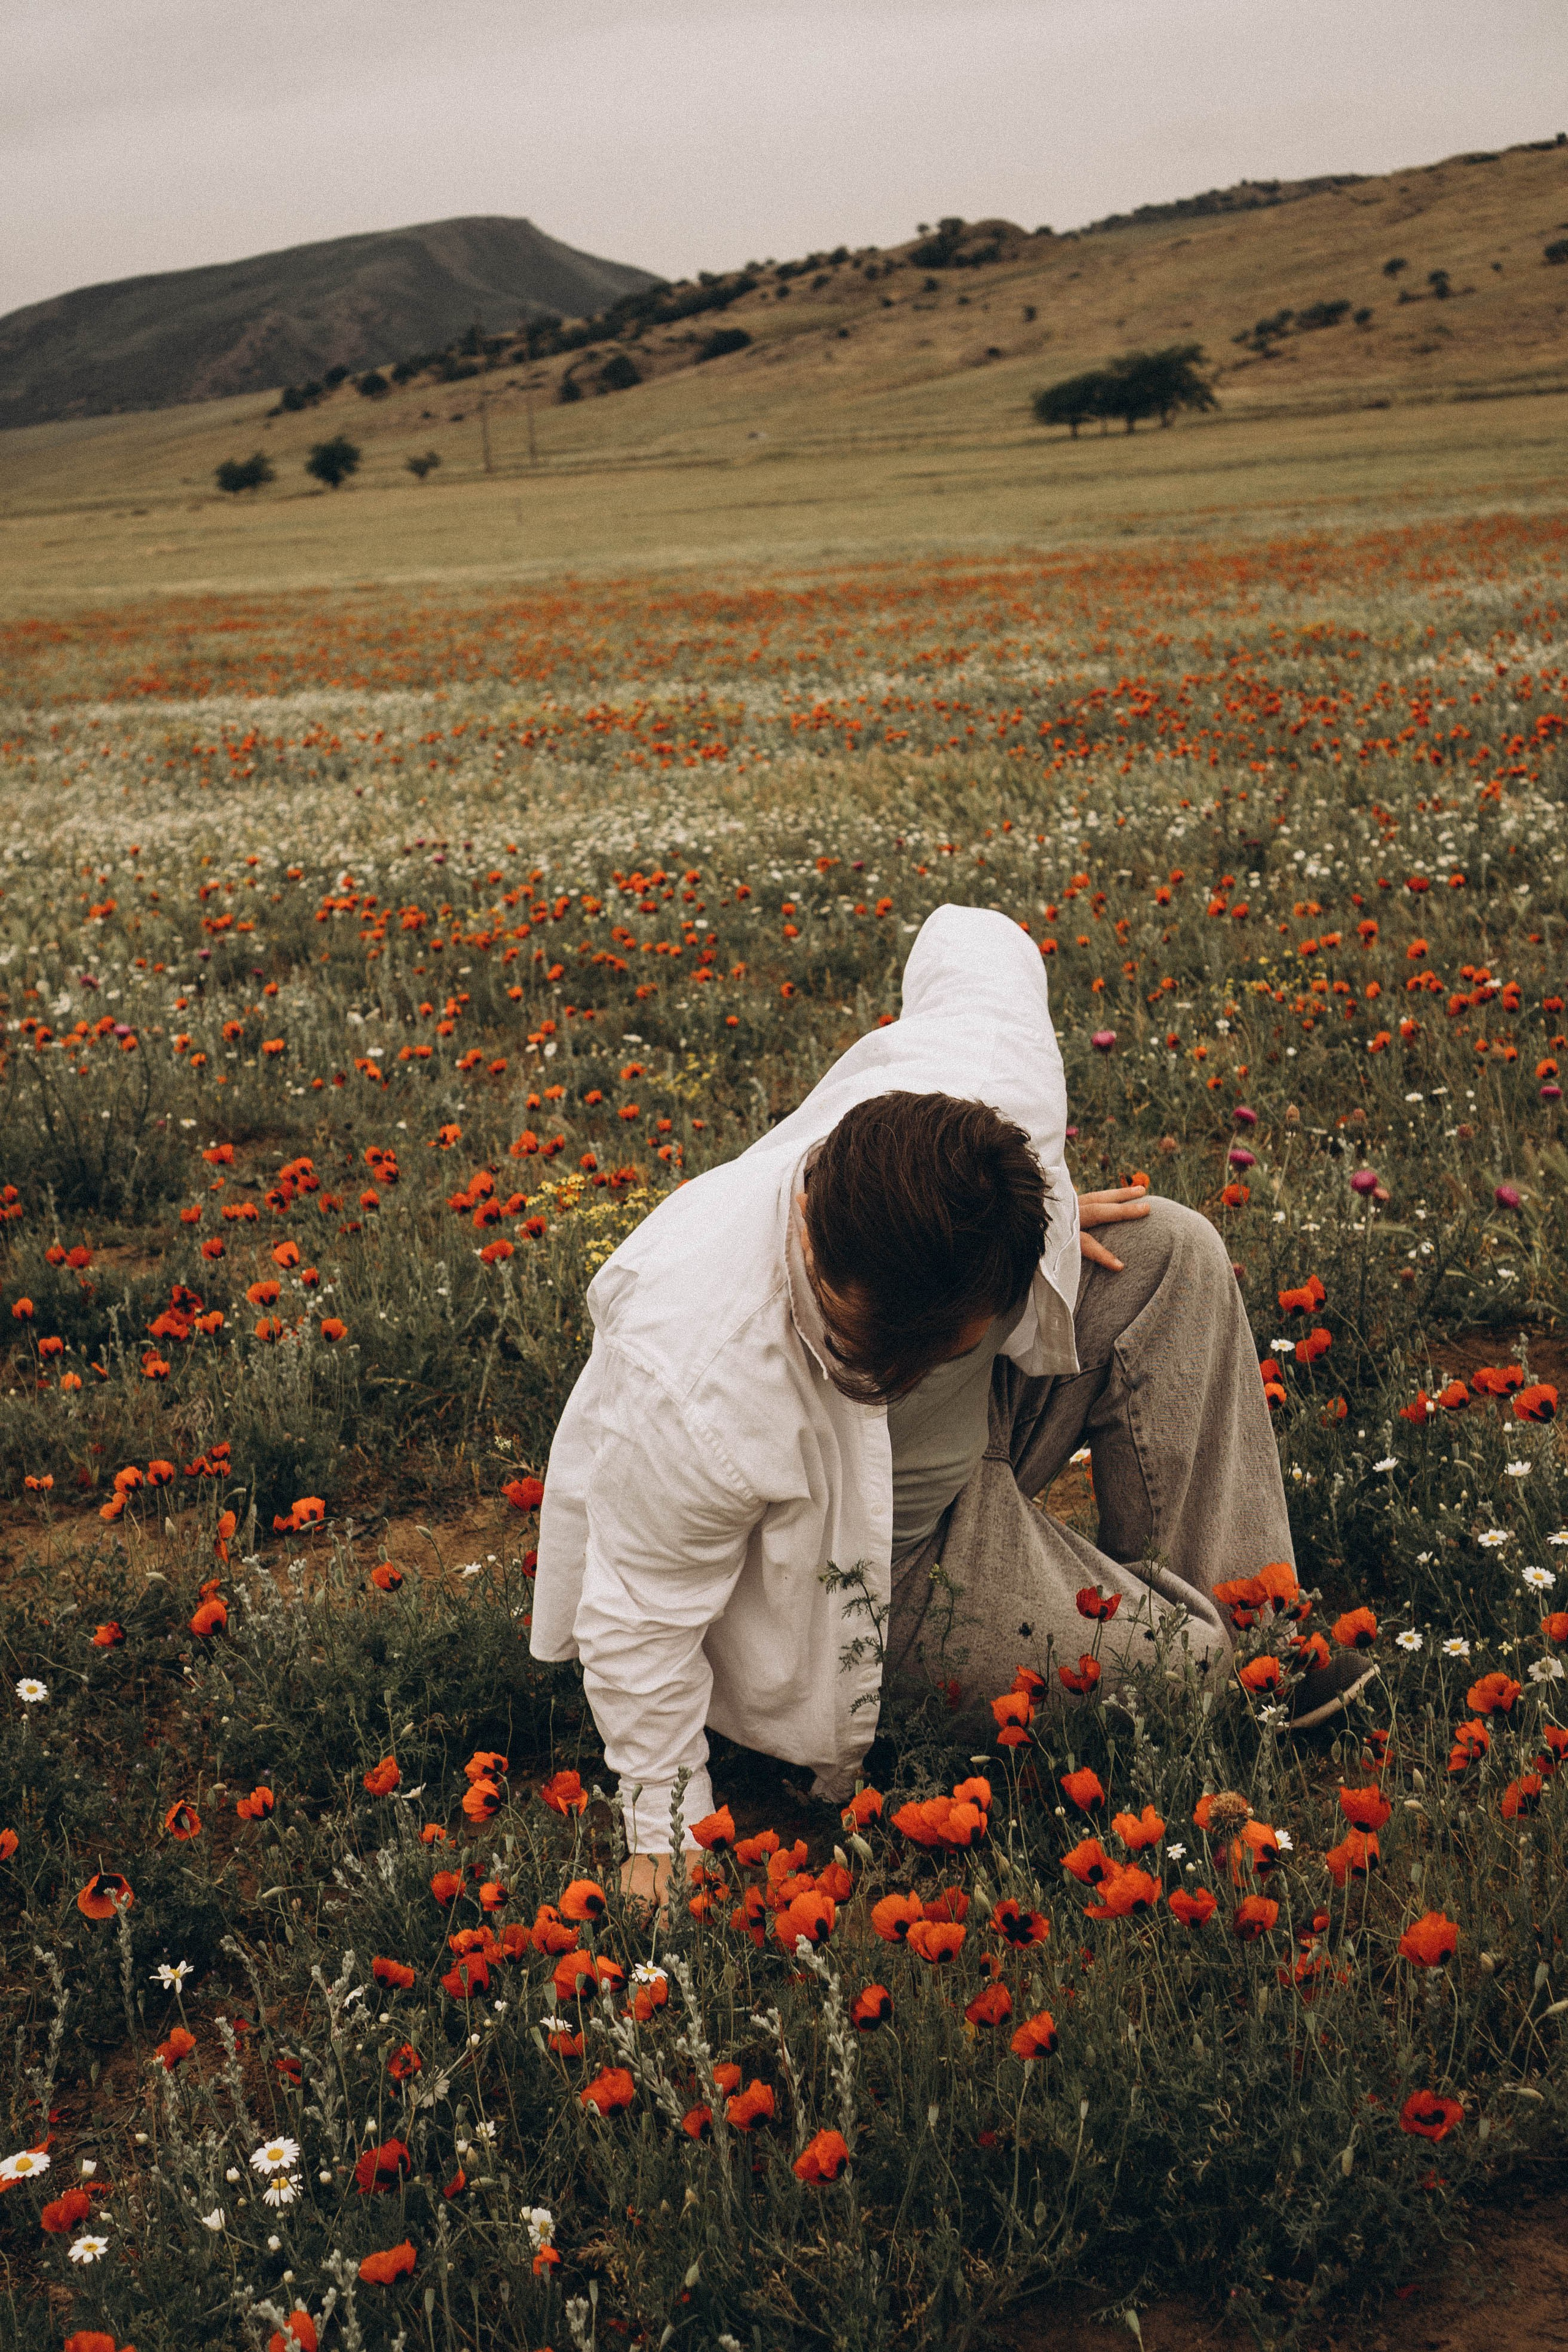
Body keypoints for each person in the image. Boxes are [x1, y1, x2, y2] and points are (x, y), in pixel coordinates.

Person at [531, 905, 1370, 1905]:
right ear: (808, 1215)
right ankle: (1205, 1665)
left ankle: (1257, 1619)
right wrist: (661, 1833)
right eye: (861, 1347)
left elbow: (973, 940)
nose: (891, 1374)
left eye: (938, 1345)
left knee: (1170, 1251)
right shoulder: (695, 1371)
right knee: (1182, 1688)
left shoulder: (992, 1083)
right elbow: (637, 1613)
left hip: (975, 1434)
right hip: (864, 1568)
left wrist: (1042, 1214)